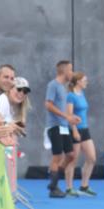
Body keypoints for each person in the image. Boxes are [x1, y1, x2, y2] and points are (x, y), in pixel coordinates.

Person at [45, 60, 80, 198]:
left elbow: (63, 110)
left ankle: (53, 182)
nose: (72, 73)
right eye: (71, 70)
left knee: (70, 155)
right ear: (64, 71)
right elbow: (48, 105)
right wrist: (66, 116)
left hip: (64, 127)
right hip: (55, 126)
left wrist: (71, 118)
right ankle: (54, 188)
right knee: (57, 156)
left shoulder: (63, 88)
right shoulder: (53, 85)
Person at [65, 71, 97, 197]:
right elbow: (69, 115)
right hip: (75, 130)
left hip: (85, 129)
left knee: (91, 158)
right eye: (84, 80)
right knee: (73, 160)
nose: (86, 82)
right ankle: (69, 188)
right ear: (78, 81)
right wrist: (74, 131)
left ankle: (84, 185)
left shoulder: (81, 93)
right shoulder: (71, 96)